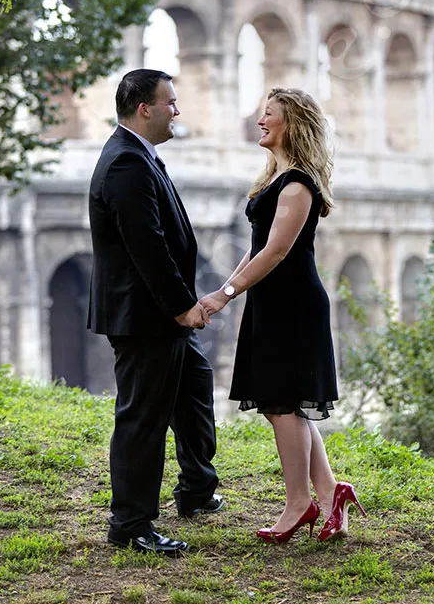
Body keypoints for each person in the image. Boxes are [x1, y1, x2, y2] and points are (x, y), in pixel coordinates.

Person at [201, 87, 366, 543]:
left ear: (290, 124)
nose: (260, 121)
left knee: (281, 405)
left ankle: (300, 502)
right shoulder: (278, 178)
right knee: (288, 403)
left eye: (268, 115)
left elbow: (276, 252)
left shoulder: (297, 184)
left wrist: (226, 294)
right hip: (275, 302)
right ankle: (331, 491)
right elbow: (257, 250)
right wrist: (224, 293)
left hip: (292, 304)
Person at [88, 69, 223, 558]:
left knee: (194, 390)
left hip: (157, 314)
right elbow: (147, 246)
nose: (177, 110)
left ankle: (196, 490)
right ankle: (130, 523)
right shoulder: (126, 162)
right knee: (142, 417)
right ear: (145, 108)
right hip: (144, 316)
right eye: (171, 102)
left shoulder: (140, 155)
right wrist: (183, 307)